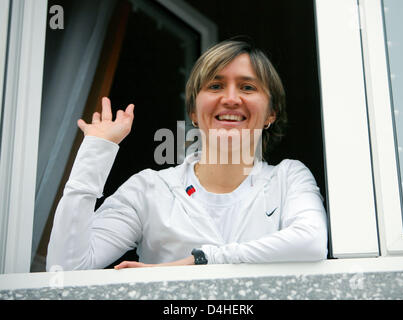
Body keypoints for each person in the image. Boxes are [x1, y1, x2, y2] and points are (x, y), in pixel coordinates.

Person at [46, 38, 328, 271]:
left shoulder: (288, 178)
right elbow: (67, 269)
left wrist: (201, 259)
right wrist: (95, 154)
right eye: (215, 86)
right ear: (193, 111)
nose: (231, 98)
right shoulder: (150, 189)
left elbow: (312, 241)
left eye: (248, 87)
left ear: (271, 114)